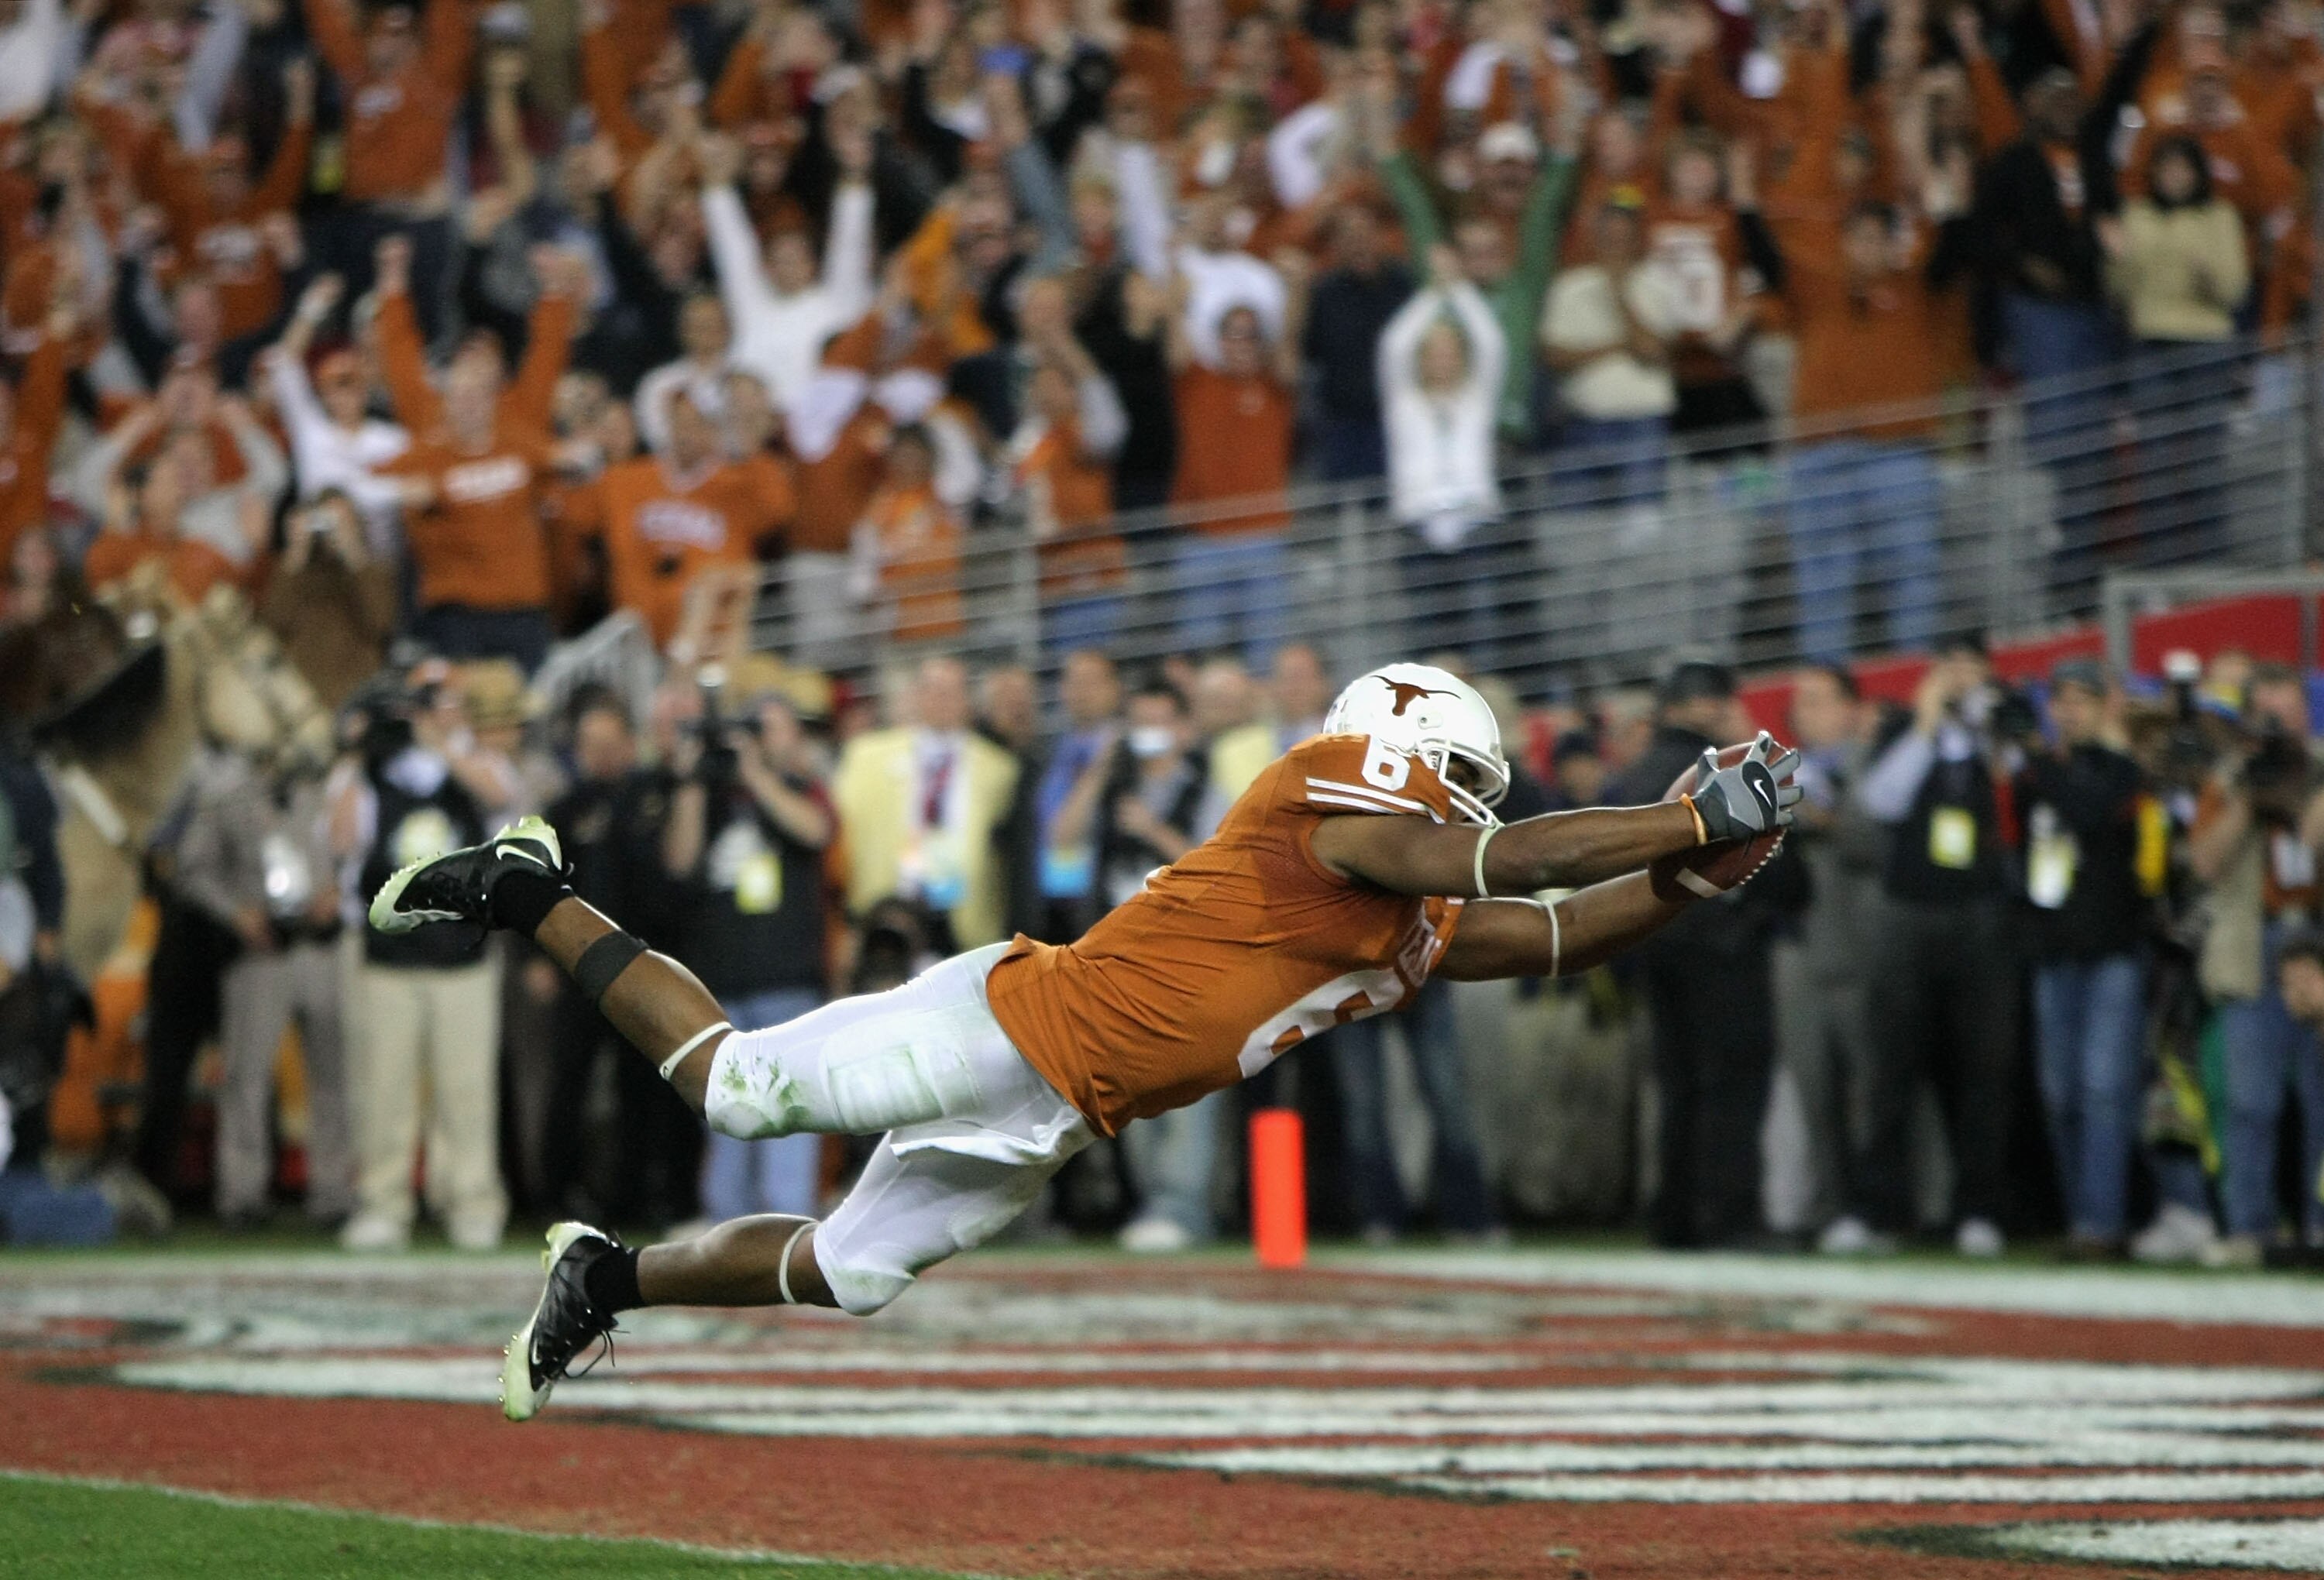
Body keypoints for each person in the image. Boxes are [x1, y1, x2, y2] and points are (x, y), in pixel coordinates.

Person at [365, 661, 1800, 1420]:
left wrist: (1678, 879)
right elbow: (1510, 866)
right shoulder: (1331, 805)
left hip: (1053, 1115)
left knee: (851, 1274)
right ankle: (531, 887)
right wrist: (1682, 818)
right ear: (1400, 748)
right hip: (1008, 1022)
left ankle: (608, 1278)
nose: (1477, 809)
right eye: (1464, 781)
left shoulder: (1409, 911)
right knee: (741, 1095)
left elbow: (1552, 925)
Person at [1604, 658, 1798, 1249]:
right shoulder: (1729, 770)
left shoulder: (1636, 777)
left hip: (1656, 943)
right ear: (1713, 706)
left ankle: (1677, 1218)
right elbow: (1779, 871)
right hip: (1726, 947)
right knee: (1733, 1083)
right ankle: (1730, 1216)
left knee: (1679, 1085)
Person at [1853, 637, 2023, 1256]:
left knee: (1983, 1069)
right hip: (1910, 913)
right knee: (1891, 1068)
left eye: (1970, 671)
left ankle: (1980, 1208)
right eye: (1949, 670)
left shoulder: (2002, 729)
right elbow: (1880, 802)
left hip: (1982, 914)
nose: (1959, 683)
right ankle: (1878, 1209)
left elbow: (2023, 795)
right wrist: (1926, 724)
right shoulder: (1905, 728)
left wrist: (1991, 728)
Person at [662, 666, 834, 1224]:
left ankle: (788, 1223)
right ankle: (728, 1226)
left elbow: (815, 831)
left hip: (788, 981)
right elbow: (679, 862)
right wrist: (692, 781)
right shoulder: (708, 796)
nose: (763, 739)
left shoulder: (803, 788)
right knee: (728, 1114)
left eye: (774, 729)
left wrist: (755, 774)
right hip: (720, 984)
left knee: (788, 1109)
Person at [2013, 658, 2164, 1259]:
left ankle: (2101, 1221)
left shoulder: (2127, 772)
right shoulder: (2038, 774)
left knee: (2105, 1088)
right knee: (2061, 1092)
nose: (2069, 710)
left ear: (2107, 706)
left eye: (2082, 699)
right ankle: (2082, 1216)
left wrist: (2041, 764)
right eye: (2062, 699)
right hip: (2055, 947)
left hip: (2113, 948)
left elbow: (2091, 812)